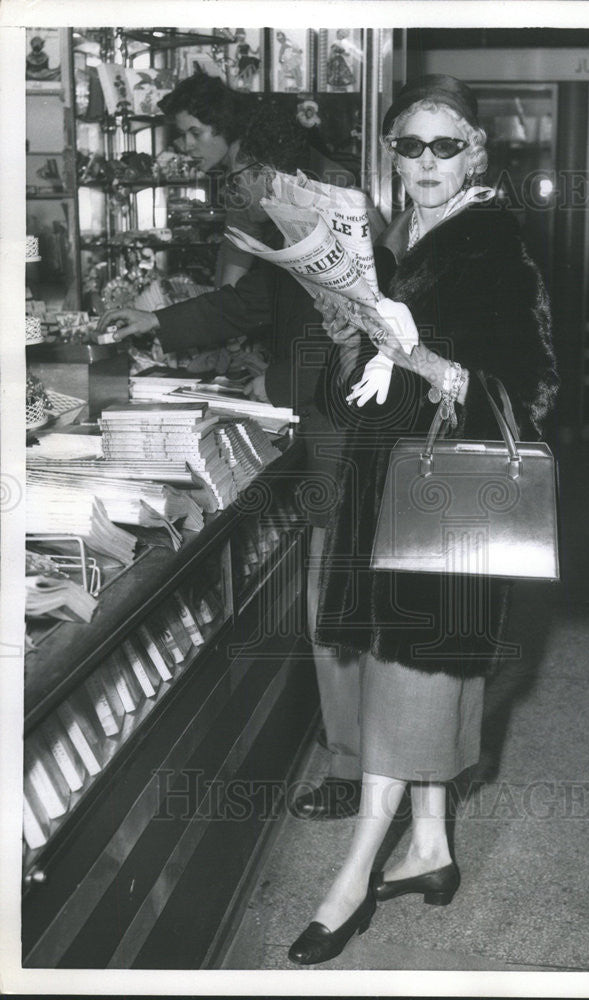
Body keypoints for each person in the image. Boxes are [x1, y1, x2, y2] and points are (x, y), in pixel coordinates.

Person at [286, 74, 558, 965]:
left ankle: (354, 874)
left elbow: (535, 386)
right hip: (388, 485)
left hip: (447, 496)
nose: (428, 161)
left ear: (474, 152)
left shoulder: (493, 242)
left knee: (410, 676)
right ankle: (431, 847)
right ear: (392, 158)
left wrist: (428, 361)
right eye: (411, 146)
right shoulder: (402, 239)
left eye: (447, 145)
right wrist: (350, 334)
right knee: (408, 669)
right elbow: (361, 390)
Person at [97, 99, 377, 822]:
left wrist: (277, 382)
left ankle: (353, 762)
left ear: (267, 164)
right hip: (334, 430)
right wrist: (159, 320)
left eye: (239, 173)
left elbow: (350, 335)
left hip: (346, 433)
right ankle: (361, 742)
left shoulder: (324, 215)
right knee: (339, 588)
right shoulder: (300, 214)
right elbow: (256, 299)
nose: (233, 189)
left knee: (333, 593)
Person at [158, 73, 354, 287]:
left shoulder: (254, 161)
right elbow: (237, 245)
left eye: (195, 133)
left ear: (222, 124)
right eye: (183, 134)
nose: (187, 145)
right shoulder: (240, 166)